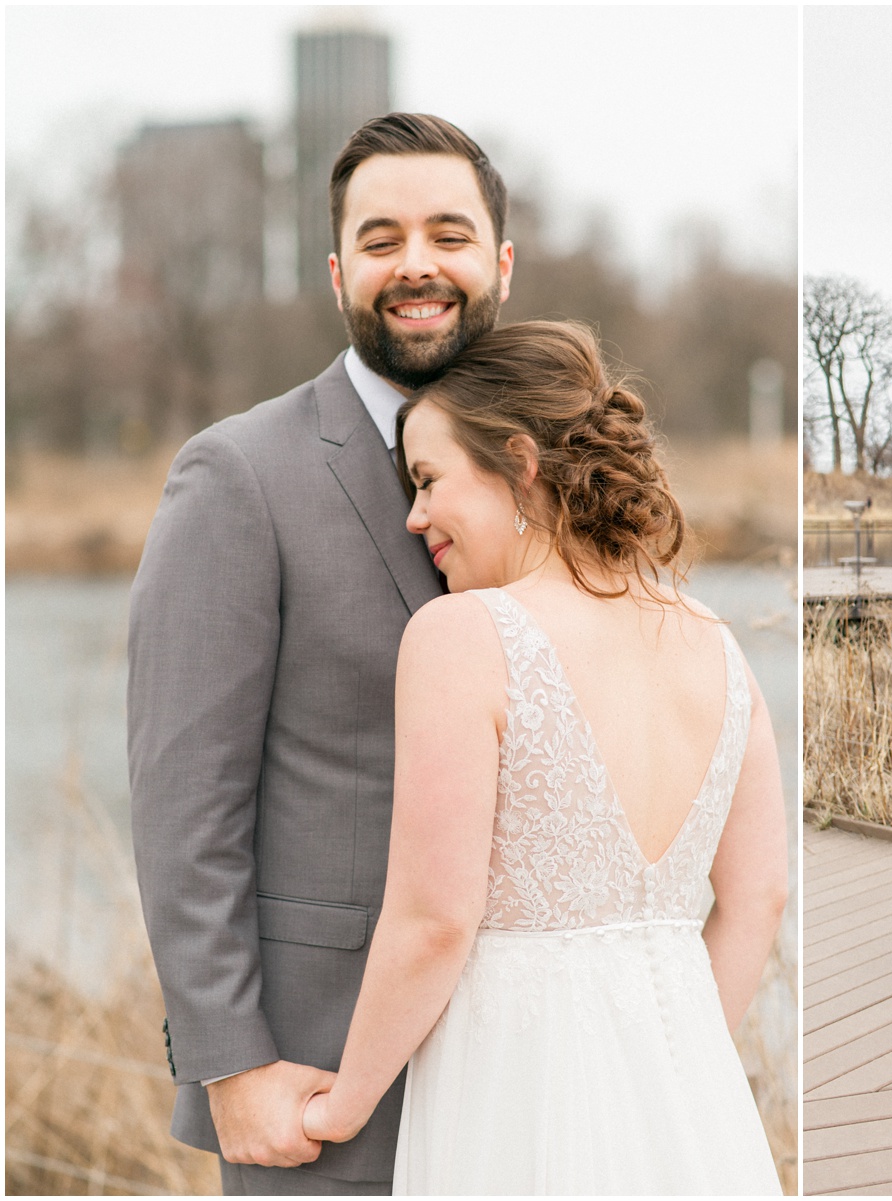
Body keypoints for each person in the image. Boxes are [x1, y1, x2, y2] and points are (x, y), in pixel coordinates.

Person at [294, 320, 788, 1194]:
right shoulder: (720, 646)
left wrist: (340, 1108)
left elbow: (433, 920)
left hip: (512, 1103)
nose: (414, 517)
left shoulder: (462, 636)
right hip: (694, 1111)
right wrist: (674, 1071)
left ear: (520, 462)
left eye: (428, 479)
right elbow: (758, 897)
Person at [128, 112, 514, 1195]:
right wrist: (229, 1062)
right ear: (341, 268)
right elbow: (181, 802)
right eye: (382, 238)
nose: (418, 264)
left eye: (449, 232)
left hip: (531, 1063)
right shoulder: (237, 476)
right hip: (321, 1081)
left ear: (501, 263)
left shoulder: (559, 477)